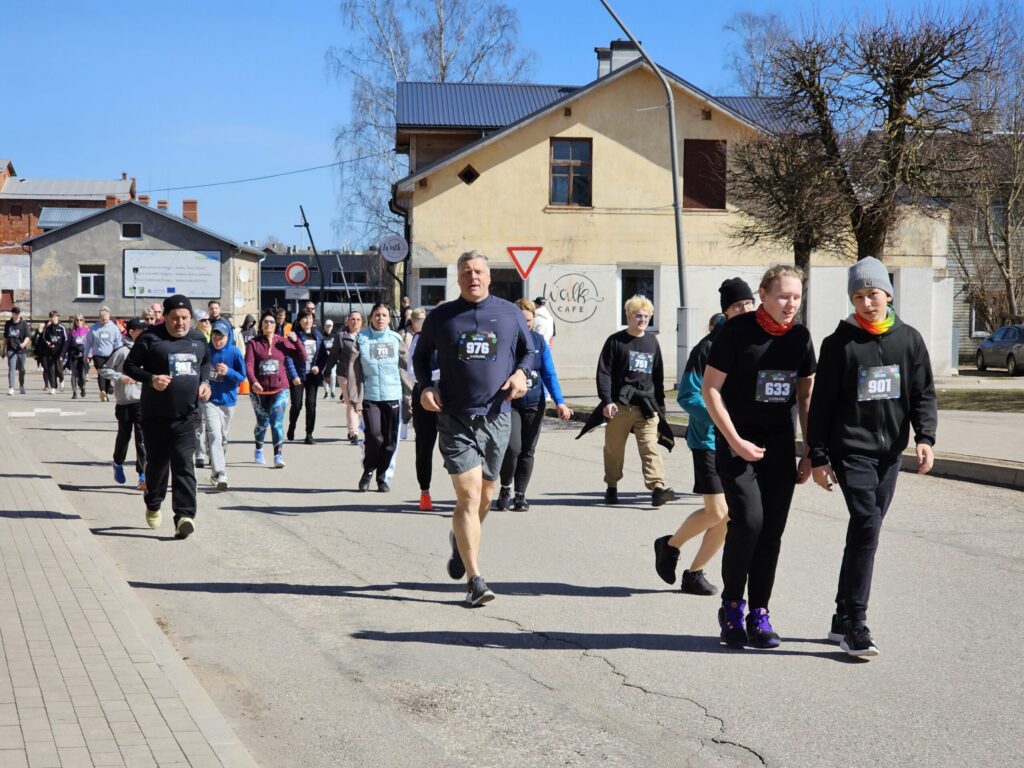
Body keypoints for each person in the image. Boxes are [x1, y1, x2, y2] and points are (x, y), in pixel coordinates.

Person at [808, 257, 937, 658]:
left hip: (889, 455)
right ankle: (857, 624)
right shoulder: (838, 345)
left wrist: (925, 436)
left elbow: (922, 393)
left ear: (889, 294)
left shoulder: (909, 340)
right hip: (851, 452)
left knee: (866, 532)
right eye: (859, 296)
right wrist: (818, 456)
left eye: (873, 294)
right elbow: (821, 407)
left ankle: (840, 615)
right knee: (866, 522)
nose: (867, 303)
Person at [702, 265, 816, 649]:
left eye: (796, 297)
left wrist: (810, 450)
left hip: (780, 448)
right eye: (783, 296)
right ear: (764, 295)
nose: (790, 304)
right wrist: (734, 440)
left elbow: (805, 397)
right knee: (748, 522)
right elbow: (711, 390)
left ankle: (760, 613)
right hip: (737, 445)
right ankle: (732, 604)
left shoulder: (800, 338)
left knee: (771, 533)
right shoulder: (736, 331)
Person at [413, 251, 535, 606]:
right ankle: (475, 579)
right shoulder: (442, 316)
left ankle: (459, 540)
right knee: (467, 497)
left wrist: (521, 374)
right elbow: (420, 357)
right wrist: (425, 387)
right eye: (466, 272)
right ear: (459, 278)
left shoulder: (510, 313)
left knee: (484, 497)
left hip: (497, 416)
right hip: (454, 416)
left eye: (479, 271)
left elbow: (530, 353)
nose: (473, 277)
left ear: (489, 277)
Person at [654, 278, 755, 596]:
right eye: (738, 305)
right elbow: (687, 396)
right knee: (717, 512)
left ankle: (694, 573)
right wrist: (722, 416)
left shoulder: (752, 344)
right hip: (709, 440)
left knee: (726, 517)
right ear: (726, 310)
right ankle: (669, 546)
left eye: (749, 303)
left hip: (739, 442)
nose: (745, 309)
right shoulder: (709, 347)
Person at [124, 295, 211, 539]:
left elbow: (205, 362)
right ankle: (153, 501)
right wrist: (152, 378)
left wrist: (205, 382)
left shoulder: (197, 338)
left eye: (184, 318)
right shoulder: (150, 338)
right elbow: (129, 367)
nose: (180, 323)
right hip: (155, 415)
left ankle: (184, 516)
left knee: (184, 465)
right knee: (158, 466)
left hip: (187, 415)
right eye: (175, 318)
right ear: (165, 317)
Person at [580, 295, 676, 508]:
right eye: (638, 316)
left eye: (647, 316)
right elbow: (603, 373)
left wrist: (660, 406)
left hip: (646, 406)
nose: (643, 320)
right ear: (629, 317)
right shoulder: (615, 341)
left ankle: (657, 487)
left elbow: (657, 376)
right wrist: (607, 401)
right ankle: (612, 485)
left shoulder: (652, 341)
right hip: (620, 406)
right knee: (614, 450)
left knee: (650, 446)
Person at [495, 298, 573, 511]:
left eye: (530, 320)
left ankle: (520, 495)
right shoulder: (504, 340)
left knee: (528, 450)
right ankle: (505, 488)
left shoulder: (538, 341)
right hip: (509, 404)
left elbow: (549, 373)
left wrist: (560, 402)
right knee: (513, 448)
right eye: (522, 319)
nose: (526, 324)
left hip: (533, 403)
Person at [351, 304, 412, 491]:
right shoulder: (361, 339)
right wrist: (356, 399)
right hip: (370, 396)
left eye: (384, 315)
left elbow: (405, 369)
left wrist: (410, 397)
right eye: (377, 315)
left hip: (393, 396)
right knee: (374, 436)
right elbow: (354, 372)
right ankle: (368, 469)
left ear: (389, 319)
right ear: (370, 318)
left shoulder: (395, 339)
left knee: (390, 441)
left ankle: (382, 476)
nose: (380, 318)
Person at [246, 309, 305, 468]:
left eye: (271, 322)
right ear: (261, 325)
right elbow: (249, 365)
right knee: (262, 423)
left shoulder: (282, 342)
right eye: (265, 322)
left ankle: (278, 455)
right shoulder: (253, 343)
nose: (269, 324)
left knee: (277, 422)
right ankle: (259, 449)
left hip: (280, 388)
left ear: (275, 325)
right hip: (259, 391)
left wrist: (296, 341)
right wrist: (253, 381)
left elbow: (302, 357)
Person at [100, 319, 149, 490]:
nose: (144, 333)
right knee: (124, 436)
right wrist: (120, 377)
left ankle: (142, 474)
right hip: (124, 401)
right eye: (140, 330)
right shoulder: (121, 351)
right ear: (131, 332)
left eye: (146, 330)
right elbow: (104, 369)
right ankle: (118, 463)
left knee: (142, 439)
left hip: (142, 401)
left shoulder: (148, 350)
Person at [205, 318, 247, 490]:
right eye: (215, 337)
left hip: (228, 400)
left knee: (223, 437)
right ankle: (221, 473)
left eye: (221, 337)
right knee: (214, 435)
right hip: (209, 400)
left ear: (228, 337)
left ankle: (215, 470)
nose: (217, 340)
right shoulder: (206, 352)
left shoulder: (234, 353)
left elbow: (242, 376)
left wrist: (228, 371)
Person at [407, 307, 440, 510]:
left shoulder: (454, 339)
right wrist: (434, 378)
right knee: (424, 446)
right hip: (425, 394)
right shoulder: (420, 339)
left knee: (452, 447)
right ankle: (425, 492)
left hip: (449, 396)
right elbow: (412, 371)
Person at [288, 310, 326, 444]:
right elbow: (289, 358)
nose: (307, 320)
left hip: (312, 376)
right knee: (297, 405)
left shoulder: (318, 336)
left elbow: (323, 356)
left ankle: (309, 433)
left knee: (311, 405)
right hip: (298, 376)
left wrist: (319, 367)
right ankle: (292, 425)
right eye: (304, 318)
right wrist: (293, 375)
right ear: (299, 321)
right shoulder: (294, 336)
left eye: (310, 318)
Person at [333, 310, 364, 443]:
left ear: (361, 322)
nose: (355, 322)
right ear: (348, 321)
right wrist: (327, 372)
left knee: (359, 403)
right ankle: (354, 432)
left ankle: (355, 426)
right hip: (345, 374)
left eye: (357, 319)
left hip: (362, 375)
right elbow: (333, 355)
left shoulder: (365, 336)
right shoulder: (341, 336)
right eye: (352, 319)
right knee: (351, 401)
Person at [87, 307, 123, 401]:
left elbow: (118, 341)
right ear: (99, 318)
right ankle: (102, 390)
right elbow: (89, 342)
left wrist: (119, 353)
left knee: (108, 374)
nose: (104, 321)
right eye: (102, 320)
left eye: (106, 319)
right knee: (102, 372)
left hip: (110, 354)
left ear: (109, 318)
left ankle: (105, 393)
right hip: (98, 354)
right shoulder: (94, 328)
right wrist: (86, 354)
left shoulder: (113, 327)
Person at [3, 306, 30, 395]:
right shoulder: (8, 324)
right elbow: (5, 337)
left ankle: (21, 385)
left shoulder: (24, 324)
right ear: (13, 314)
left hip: (21, 350)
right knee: (12, 368)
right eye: (15, 314)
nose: (17, 315)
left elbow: (27, 336)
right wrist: (3, 349)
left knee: (21, 369)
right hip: (11, 349)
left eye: (18, 314)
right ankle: (11, 387)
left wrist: (24, 344)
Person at [39, 311, 68, 395]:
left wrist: (63, 352)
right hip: (50, 352)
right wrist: (48, 343)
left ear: (58, 317)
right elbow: (44, 338)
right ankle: (53, 387)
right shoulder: (47, 328)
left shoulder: (62, 327)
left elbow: (65, 340)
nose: (53, 319)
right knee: (51, 370)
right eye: (52, 317)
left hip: (59, 352)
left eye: (55, 317)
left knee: (59, 369)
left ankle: (62, 380)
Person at [65, 314, 90, 399]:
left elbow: (90, 343)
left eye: (81, 320)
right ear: (75, 321)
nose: (79, 321)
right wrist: (63, 355)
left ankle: (82, 387)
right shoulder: (72, 332)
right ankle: (74, 392)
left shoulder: (87, 331)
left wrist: (90, 353)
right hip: (74, 355)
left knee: (82, 375)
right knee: (74, 374)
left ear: (83, 321)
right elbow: (67, 345)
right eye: (77, 320)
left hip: (83, 356)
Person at [321, 318, 338, 399]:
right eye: (327, 326)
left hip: (332, 359)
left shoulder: (335, 336)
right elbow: (320, 347)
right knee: (325, 375)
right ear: (324, 327)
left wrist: (332, 352)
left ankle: (333, 391)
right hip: (324, 359)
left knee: (333, 375)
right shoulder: (321, 336)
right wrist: (325, 352)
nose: (328, 327)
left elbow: (337, 347)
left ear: (332, 326)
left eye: (330, 326)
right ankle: (326, 391)